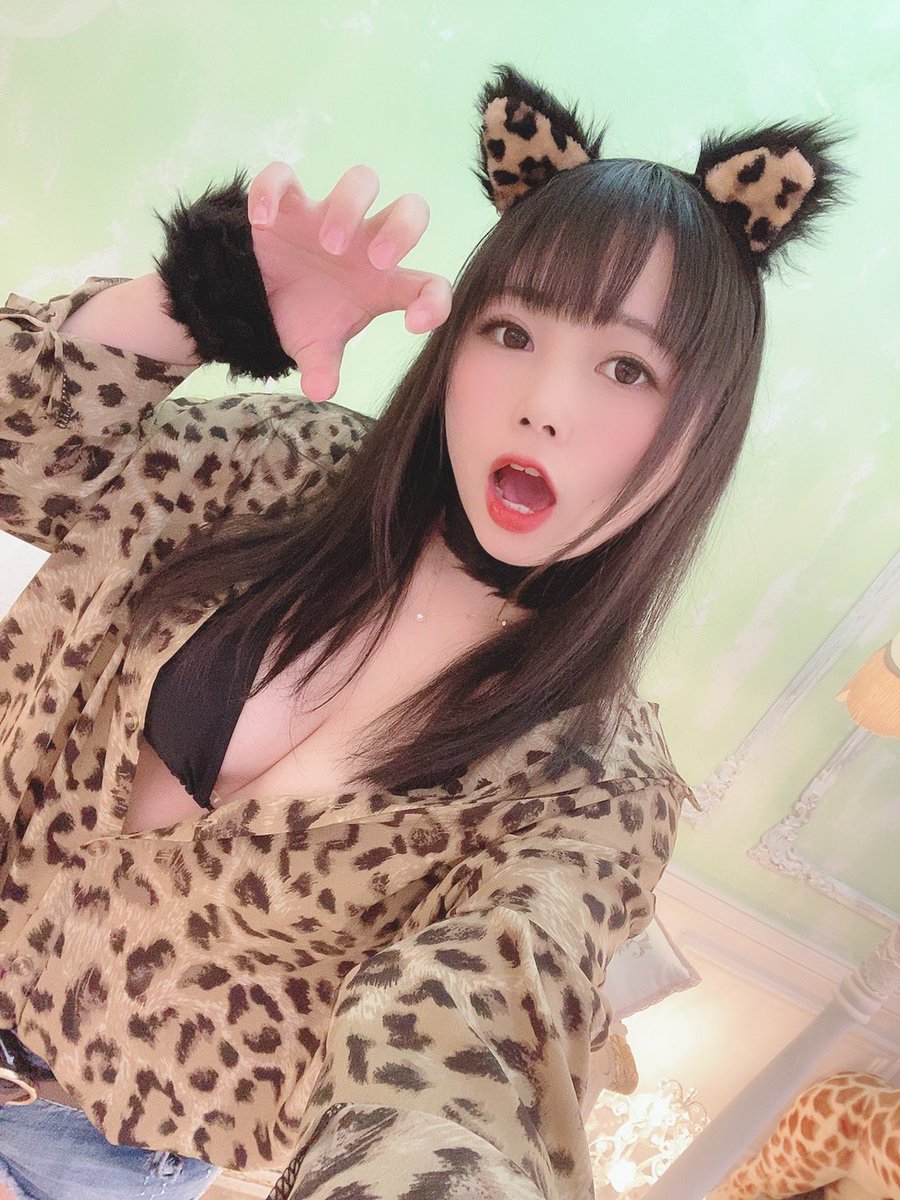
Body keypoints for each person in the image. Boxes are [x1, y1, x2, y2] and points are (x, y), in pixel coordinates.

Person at [0, 64, 844, 1200]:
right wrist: (196, 302)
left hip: (95, 1161)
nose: (544, 404)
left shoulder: (592, 789)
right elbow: (21, 457)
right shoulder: (278, 466)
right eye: (511, 330)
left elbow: (473, 1052)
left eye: (627, 367)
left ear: (704, 429)